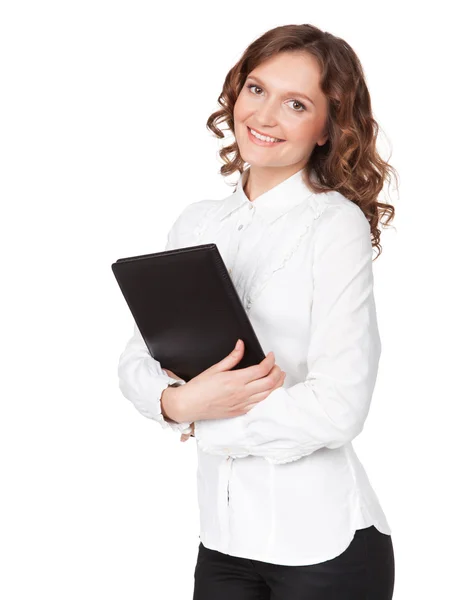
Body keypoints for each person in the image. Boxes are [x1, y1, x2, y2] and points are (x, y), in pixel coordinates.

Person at [117, 23, 398, 600]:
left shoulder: (334, 225)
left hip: (324, 548)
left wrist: (207, 419)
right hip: (223, 544)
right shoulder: (196, 223)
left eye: (296, 104)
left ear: (327, 128)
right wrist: (176, 403)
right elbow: (137, 359)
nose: (264, 116)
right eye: (256, 89)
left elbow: (339, 405)